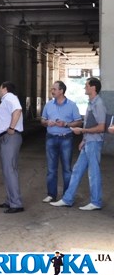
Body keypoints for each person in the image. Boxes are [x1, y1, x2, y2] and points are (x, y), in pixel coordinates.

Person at [51, 77, 106, 211]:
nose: (84, 88)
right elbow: (90, 124)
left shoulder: (99, 104)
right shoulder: (91, 103)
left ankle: (96, 202)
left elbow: (101, 127)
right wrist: (83, 140)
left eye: (86, 85)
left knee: (94, 173)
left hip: (94, 143)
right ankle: (67, 199)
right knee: (76, 171)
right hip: (88, 142)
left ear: (93, 88)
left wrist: (82, 130)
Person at [41, 81, 83, 203]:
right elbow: (42, 120)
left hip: (66, 138)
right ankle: (51, 194)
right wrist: (46, 122)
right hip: (51, 138)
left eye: (54, 89)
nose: (52, 91)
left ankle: (66, 196)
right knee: (51, 168)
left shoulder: (72, 105)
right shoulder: (48, 105)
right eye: (52, 89)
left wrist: (66, 124)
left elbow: (79, 122)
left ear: (61, 91)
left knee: (67, 169)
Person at [0, 81, 24, 214]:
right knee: (7, 171)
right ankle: (10, 200)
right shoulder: (6, 100)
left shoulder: (10, 97)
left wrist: (11, 127)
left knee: (10, 170)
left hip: (10, 137)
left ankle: (16, 203)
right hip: (6, 138)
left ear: (5, 89)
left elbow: (17, 110)